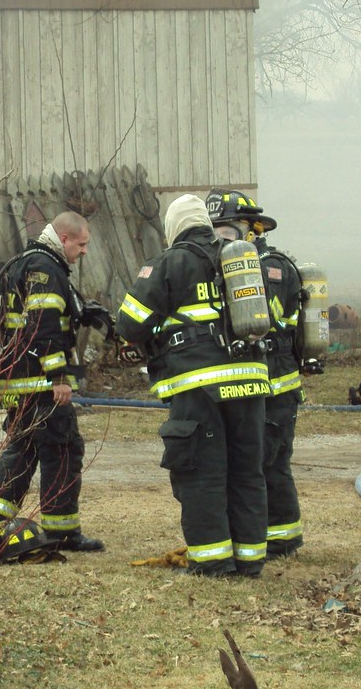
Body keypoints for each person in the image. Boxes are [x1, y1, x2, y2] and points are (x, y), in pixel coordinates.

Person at [115, 194, 269, 577]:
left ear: (173, 227)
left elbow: (129, 324)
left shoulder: (170, 262)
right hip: (250, 382)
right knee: (247, 470)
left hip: (200, 386)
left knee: (201, 471)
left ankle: (213, 561)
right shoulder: (240, 259)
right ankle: (250, 560)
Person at [0, 211, 106, 553]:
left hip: (15, 380)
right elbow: (45, 327)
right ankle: (63, 532)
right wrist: (60, 378)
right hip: (40, 383)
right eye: (82, 244)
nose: (84, 252)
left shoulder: (26, 262)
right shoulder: (46, 268)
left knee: (22, 449)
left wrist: (81, 310)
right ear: (64, 239)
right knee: (63, 449)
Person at [207, 191, 305, 560]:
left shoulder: (272, 268)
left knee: (269, 460)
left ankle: (281, 536)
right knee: (249, 460)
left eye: (227, 231)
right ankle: (257, 532)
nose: (220, 240)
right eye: (214, 231)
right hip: (250, 381)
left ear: (252, 229)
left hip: (277, 384)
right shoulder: (227, 264)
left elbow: (265, 319)